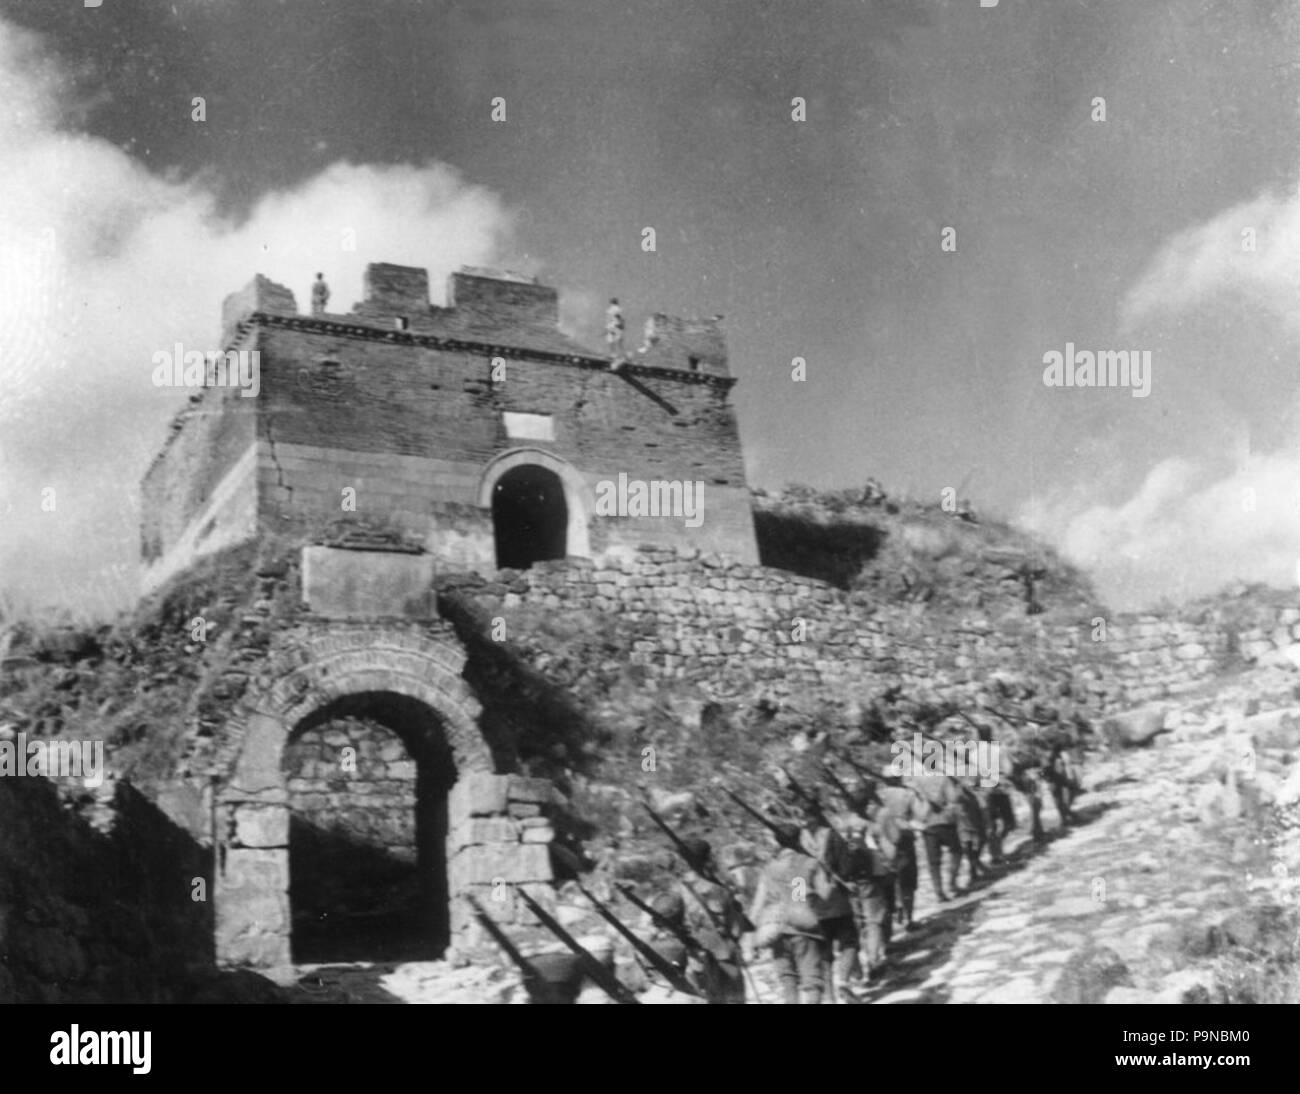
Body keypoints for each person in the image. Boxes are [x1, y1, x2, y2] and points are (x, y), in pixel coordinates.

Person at [748, 822, 827, 1004]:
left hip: (775, 930)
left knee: (788, 980)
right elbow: (823, 893)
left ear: (777, 842)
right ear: (799, 838)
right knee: (812, 980)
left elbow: (757, 905)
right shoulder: (806, 863)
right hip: (802, 930)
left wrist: (752, 938)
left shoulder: (769, 869)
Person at [798, 803, 858, 1002]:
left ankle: (831, 997)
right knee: (849, 942)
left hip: (814, 906)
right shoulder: (831, 835)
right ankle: (844, 982)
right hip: (837, 900)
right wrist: (845, 882)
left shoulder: (798, 842)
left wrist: (799, 902)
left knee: (824, 955)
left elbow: (796, 877)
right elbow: (846, 865)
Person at [677, 838, 748, 1004]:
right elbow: (734, 907)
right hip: (724, 946)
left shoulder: (682, 885)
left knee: (716, 994)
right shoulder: (715, 884)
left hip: (703, 947)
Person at [908, 775, 963, 903]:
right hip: (945, 822)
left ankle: (939, 892)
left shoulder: (916, 781)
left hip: (928, 826)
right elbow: (953, 798)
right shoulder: (943, 779)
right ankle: (952, 883)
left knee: (933, 862)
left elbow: (916, 810)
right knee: (957, 852)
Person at [605, 297, 626, 364]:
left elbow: (612, 318)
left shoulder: (612, 309)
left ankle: (614, 355)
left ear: (611, 303)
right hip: (616, 327)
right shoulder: (618, 309)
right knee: (618, 342)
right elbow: (620, 318)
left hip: (613, 327)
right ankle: (622, 356)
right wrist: (622, 325)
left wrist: (608, 327)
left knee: (611, 341)